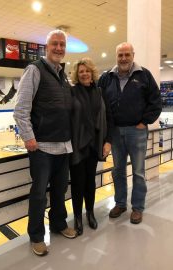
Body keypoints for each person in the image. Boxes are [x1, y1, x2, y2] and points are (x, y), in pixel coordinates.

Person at [13, 29, 77, 256]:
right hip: (41, 147)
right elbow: (20, 109)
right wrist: (29, 138)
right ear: (46, 47)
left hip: (63, 146)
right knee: (39, 194)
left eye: (62, 44)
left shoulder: (62, 75)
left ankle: (59, 224)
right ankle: (37, 236)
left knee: (60, 191)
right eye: (54, 44)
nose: (59, 48)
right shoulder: (34, 70)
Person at [98, 42, 162, 224]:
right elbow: (98, 101)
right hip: (115, 132)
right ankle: (120, 203)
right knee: (118, 170)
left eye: (127, 54)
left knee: (139, 172)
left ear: (133, 55)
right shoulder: (107, 78)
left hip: (137, 131)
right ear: (116, 56)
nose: (124, 58)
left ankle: (137, 207)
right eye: (120, 55)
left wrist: (144, 122)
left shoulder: (144, 75)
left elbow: (155, 101)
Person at [70, 58, 113, 235]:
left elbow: (109, 118)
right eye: (81, 71)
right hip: (78, 144)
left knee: (90, 182)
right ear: (77, 75)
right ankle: (78, 218)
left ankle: (90, 213)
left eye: (87, 71)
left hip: (95, 144)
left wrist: (108, 140)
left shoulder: (100, 92)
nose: (85, 74)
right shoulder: (71, 92)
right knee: (77, 184)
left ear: (92, 72)